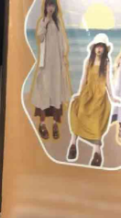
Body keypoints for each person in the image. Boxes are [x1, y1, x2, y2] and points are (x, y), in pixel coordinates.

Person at [68, 34, 121, 167]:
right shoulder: (89, 61)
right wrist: (79, 93)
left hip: (100, 96)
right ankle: (73, 144)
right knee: (79, 112)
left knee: (97, 121)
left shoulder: (106, 63)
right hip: (88, 93)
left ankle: (97, 152)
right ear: (93, 48)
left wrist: (112, 96)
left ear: (104, 49)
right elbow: (84, 78)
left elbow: (107, 81)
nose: (99, 49)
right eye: (97, 46)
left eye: (101, 47)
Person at [30, 0, 72, 141]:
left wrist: (64, 57)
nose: (50, 8)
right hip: (46, 65)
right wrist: (46, 21)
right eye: (48, 5)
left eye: (52, 5)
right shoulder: (43, 21)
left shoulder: (58, 22)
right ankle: (42, 124)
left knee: (56, 92)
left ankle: (55, 124)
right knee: (44, 92)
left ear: (55, 7)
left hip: (57, 64)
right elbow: (40, 36)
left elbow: (62, 41)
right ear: (45, 7)